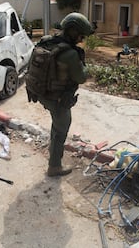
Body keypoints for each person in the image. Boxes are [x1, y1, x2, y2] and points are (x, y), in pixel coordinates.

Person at [30, 12, 94, 177]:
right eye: (81, 35)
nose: (82, 39)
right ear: (73, 31)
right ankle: (54, 166)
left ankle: (53, 155)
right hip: (58, 99)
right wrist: (85, 66)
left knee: (56, 126)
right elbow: (81, 77)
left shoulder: (46, 42)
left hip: (43, 93)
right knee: (61, 130)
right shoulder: (71, 54)